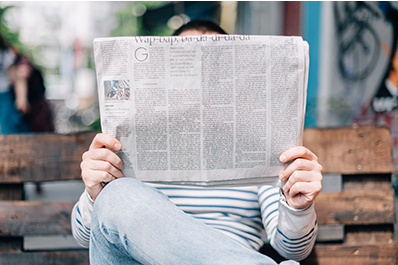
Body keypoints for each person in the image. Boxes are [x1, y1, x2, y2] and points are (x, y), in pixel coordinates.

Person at [71, 19, 323, 265]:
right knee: (118, 195)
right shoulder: (128, 144)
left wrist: (298, 207)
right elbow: (86, 237)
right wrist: (96, 194)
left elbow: (292, 248)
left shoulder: (260, 148)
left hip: (237, 251)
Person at [0, 34, 31, 134]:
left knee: (7, 125)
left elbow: (17, 78)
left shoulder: (5, 53)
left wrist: (21, 98)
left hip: (4, 94)